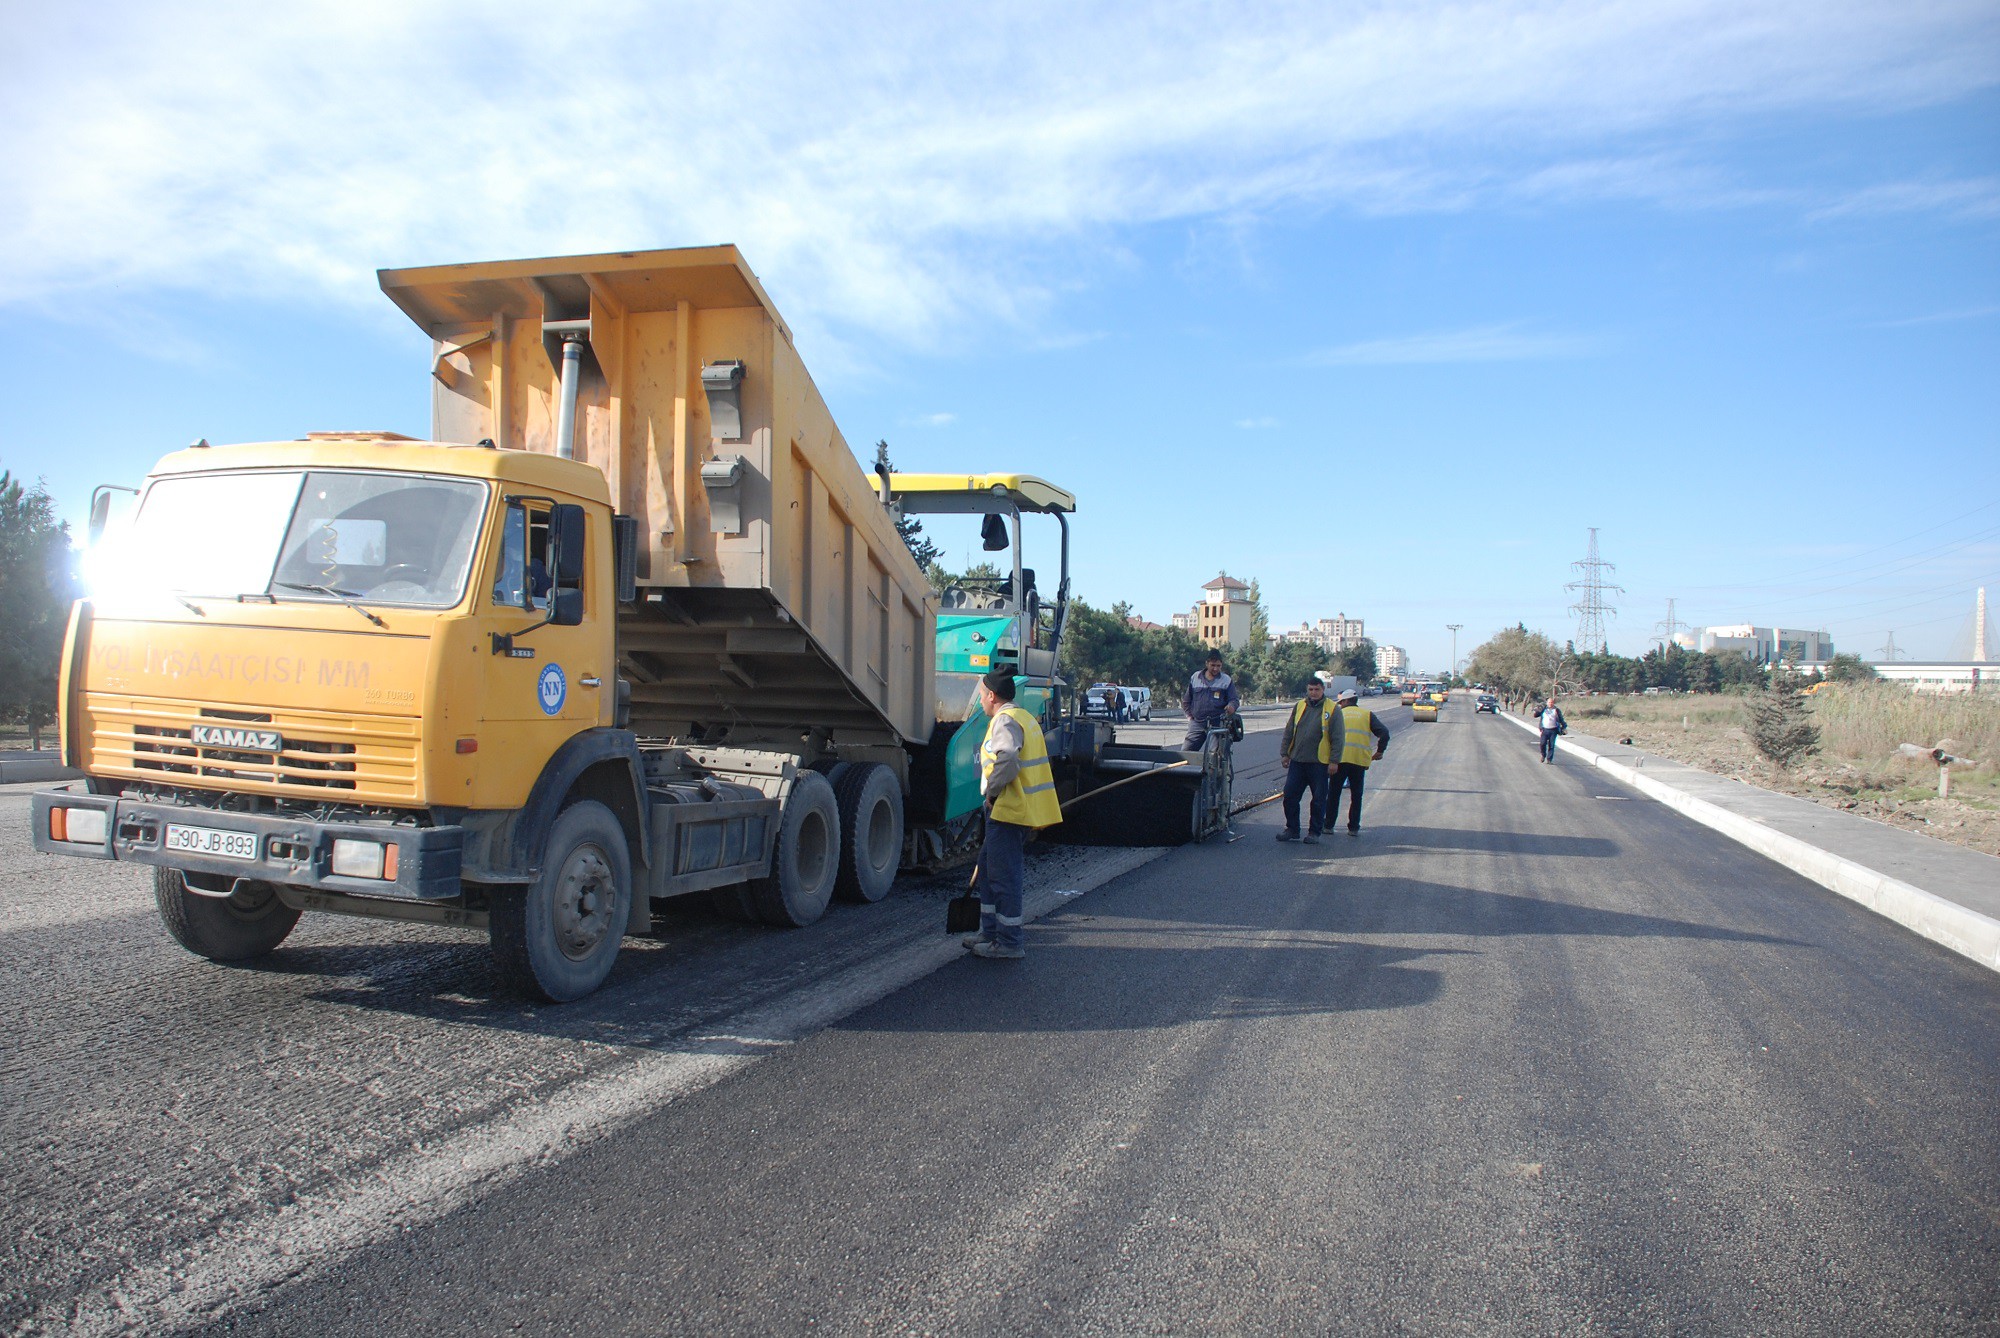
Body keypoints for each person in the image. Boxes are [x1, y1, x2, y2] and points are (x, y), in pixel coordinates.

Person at [965, 669, 1063, 960]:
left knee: (1003, 877)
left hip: (1009, 810)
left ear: (992, 696)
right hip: (1014, 810)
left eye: (981, 696)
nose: (980, 702)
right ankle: (990, 932)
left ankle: (1009, 942)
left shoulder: (1004, 721)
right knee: (987, 869)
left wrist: (992, 792)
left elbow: (1007, 760)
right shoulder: (1024, 717)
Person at [1276, 676, 1336, 842]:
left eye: (1317, 689)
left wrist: (1334, 761)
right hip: (1298, 761)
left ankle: (1314, 832)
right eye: (1310, 689)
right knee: (1289, 795)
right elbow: (1289, 731)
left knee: (1318, 800)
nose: (1313, 693)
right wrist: (1285, 754)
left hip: (1319, 763)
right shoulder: (1300, 706)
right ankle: (1292, 829)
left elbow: (1338, 738)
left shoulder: (1332, 708)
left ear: (1323, 690)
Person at [1327, 686, 1390, 837]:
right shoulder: (1367, 715)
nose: (1340, 704)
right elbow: (1384, 733)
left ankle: (1328, 826)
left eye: (1341, 702)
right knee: (1356, 795)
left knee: (1334, 794)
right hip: (1359, 761)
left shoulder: (1338, 714)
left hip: (1339, 760)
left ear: (1347, 701)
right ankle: (1353, 828)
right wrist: (1380, 751)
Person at [1181, 650, 1240, 751]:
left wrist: (1231, 707)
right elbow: (1186, 701)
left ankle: (1216, 766)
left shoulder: (1226, 680)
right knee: (1186, 753)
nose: (1215, 668)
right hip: (1197, 723)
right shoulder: (1195, 677)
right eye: (1213, 665)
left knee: (1213, 756)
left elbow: (1234, 700)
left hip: (1217, 725)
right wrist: (1190, 718)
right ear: (1206, 663)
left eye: (1218, 666)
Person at [1537, 696, 1566, 763]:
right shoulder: (1544, 710)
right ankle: (1543, 755)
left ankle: (1549, 759)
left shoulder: (1556, 710)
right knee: (1542, 744)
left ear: (1553, 703)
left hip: (1553, 730)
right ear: (1547, 703)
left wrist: (1564, 726)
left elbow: (1561, 719)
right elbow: (1537, 714)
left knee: (1551, 745)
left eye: (1552, 702)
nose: (1550, 703)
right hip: (1545, 730)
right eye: (1549, 702)